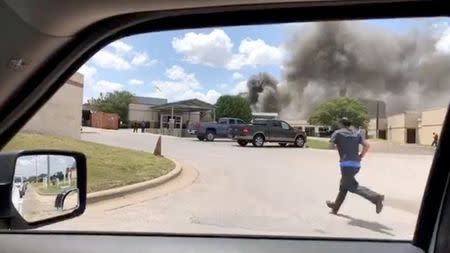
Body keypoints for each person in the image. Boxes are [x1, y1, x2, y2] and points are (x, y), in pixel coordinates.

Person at [326, 117, 384, 215]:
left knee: (352, 186)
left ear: (341, 124)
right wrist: (361, 155)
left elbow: (330, 146)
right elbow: (367, 145)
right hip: (356, 165)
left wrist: (340, 147)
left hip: (346, 165)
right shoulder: (356, 133)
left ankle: (376, 198)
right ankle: (335, 207)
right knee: (344, 185)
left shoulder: (338, 133)